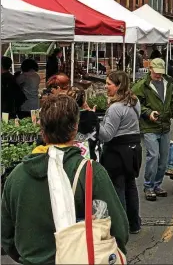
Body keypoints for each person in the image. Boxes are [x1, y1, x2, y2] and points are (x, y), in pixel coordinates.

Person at [1, 94, 128, 264]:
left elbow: (6, 234)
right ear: (75, 128)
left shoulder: (16, 175)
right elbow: (120, 229)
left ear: (41, 128)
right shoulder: (90, 172)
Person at [98, 71, 143, 233]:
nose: (106, 86)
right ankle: (134, 223)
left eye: (109, 83)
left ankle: (121, 226)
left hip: (117, 152)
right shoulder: (134, 102)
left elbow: (107, 135)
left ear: (118, 86)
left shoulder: (116, 108)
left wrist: (95, 124)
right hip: (133, 150)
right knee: (130, 186)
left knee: (118, 189)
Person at [132, 58, 173, 201]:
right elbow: (135, 102)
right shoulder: (142, 86)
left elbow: (171, 105)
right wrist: (148, 113)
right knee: (153, 156)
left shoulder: (169, 84)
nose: (158, 75)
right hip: (149, 127)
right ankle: (148, 186)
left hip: (165, 126)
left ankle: (156, 184)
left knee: (164, 159)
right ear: (150, 69)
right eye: (156, 72)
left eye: (161, 73)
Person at [66, 87, 99, 160]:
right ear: (84, 100)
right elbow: (97, 133)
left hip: (70, 158)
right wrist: (91, 113)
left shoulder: (65, 117)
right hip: (90, 157)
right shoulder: (91, 116)